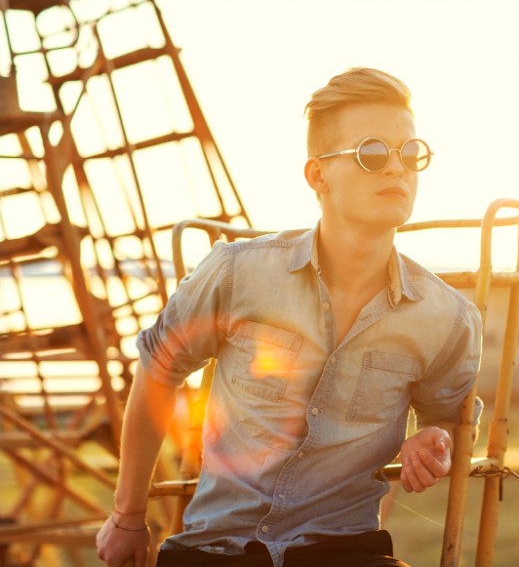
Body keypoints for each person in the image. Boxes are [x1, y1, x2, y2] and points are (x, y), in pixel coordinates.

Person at [96, 67, 482, 567]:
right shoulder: (237, 272)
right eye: (372, 153)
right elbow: (159, 366)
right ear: (318, 175)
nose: (396, 168)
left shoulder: (446, 317)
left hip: (343, 552)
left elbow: (448, 421)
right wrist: (128, 516)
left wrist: (437, 441)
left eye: (411, 153)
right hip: (217, 549)